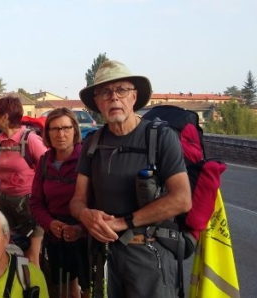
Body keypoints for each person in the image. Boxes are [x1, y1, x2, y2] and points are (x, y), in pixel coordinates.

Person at [70, 60, 192, 297]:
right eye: (105, 92)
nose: (114, 98)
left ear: (134, 97)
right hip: (104, 256)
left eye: (122, 90)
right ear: (97, 102)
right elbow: (77, 200)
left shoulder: (160, 137)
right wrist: (85, 215)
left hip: (149, 256)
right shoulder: (92, 144)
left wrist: (123, 222)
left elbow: (182, 199)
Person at [0, 96, 48, 267]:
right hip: (5, 204)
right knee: (4, 252)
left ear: (5, 116)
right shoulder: (0, 141)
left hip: (29, 206)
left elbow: (47, 167)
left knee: (32, 256)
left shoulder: (30, 139)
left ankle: (34, 291)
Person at [29, 108, 89, 298]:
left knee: (88, 290)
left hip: (85, 238)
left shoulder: (88, 160)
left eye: (65, 128)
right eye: (54, 129)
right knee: (63, 292)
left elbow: (99, 202)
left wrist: (81, 228)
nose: (60, 134)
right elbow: (36, 202)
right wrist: (50, 224)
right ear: (47, 133)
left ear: (75, 130)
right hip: (56, 235)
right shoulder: (44, 162)